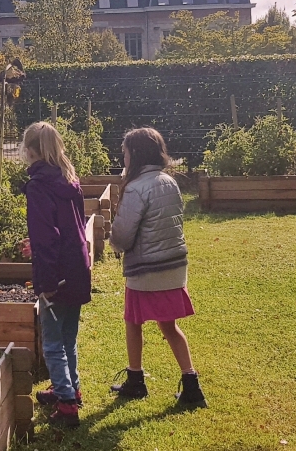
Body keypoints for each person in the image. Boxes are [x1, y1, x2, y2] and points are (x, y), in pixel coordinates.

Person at [108, 128, 207, 407]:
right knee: (169, 325)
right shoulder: (169, 182)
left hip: (145, 269)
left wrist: (113, 240)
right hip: (174, 265)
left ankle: (136, 380)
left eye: (125, 152)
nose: (123, 157)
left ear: (135, 154)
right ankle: (191, 385)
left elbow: (123, 235)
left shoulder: (137, 187)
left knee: (133, 321)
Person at [19, 121, 92, 427]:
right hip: (77, 265)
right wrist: (34, 243)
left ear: (31, 151)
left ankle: (66, 403)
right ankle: (70, 388)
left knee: (51, 341)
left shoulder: (37, 186)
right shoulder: (68, 179)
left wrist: (47, 280)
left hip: (57, 272)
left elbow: (48, 235)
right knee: (68, 337)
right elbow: (69, 226)